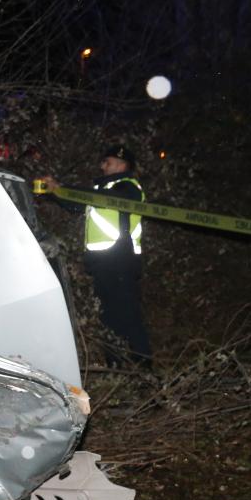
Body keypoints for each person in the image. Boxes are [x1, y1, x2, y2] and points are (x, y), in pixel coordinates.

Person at [40, 145, 152, 368]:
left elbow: (106, 198)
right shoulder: (101, 190)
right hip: (103, 264)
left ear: (122, 165)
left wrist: (65, 188)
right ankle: (115, 367)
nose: (102, 166)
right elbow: (76, 204)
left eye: (107, 162)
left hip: (120, 261)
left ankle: (145, 368)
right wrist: (57, 192)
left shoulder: (128, 188)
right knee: (108, 317)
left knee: (128, 316)